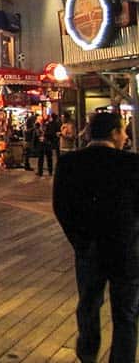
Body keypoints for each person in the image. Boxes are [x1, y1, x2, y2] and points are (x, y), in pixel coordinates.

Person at [53, 112, 139, 363]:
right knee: (126, 312)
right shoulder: (132, 164)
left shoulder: (70, 163)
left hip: (89, 248)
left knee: (89, 304)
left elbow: (61, 207)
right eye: (123, 131)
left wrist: (78, 240)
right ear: (114, 133)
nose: (125, 137)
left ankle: (88, 353)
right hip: (126, 249)